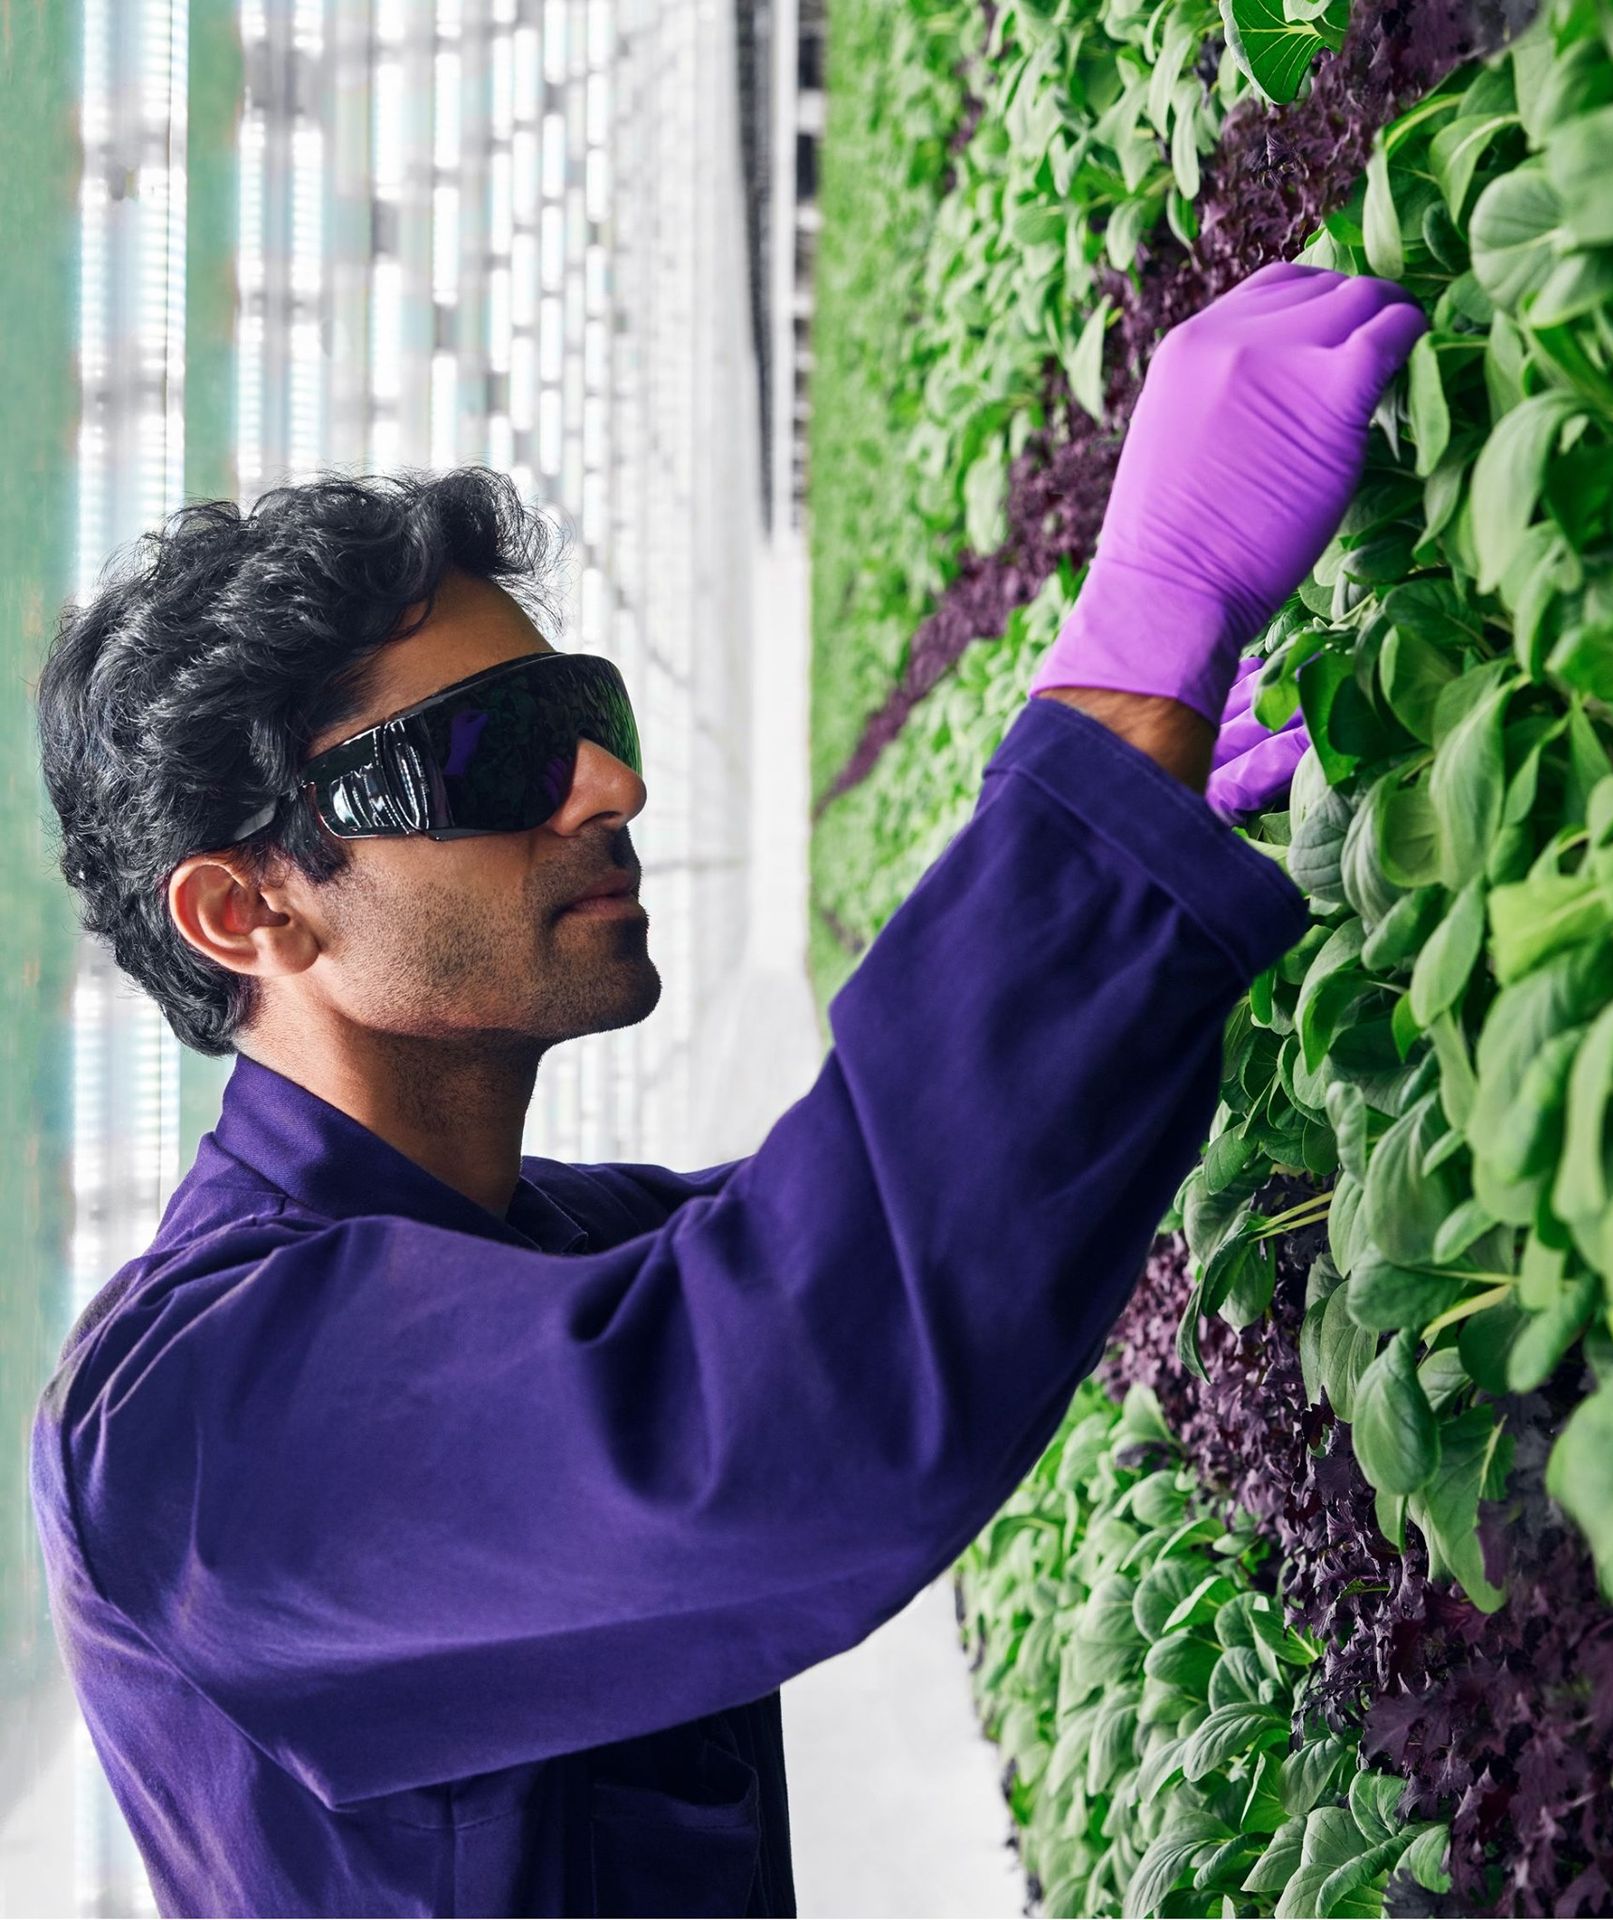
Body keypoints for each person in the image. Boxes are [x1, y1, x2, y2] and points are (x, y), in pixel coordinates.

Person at [28, 260, 1425, 1918]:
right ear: (249, 909)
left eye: (585, 716)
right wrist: (1148, 628)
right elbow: (802, 1390)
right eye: (495, 754)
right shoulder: (189, 1423)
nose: (610, 783)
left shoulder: (527, 1244)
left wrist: (1138, 799)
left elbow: (872, 1212)